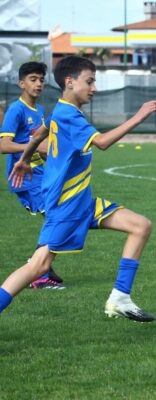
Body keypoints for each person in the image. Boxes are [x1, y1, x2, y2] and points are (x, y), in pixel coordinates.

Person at [0, 56, 156, 322]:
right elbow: (103, 142)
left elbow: (41, 131)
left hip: (82, 203)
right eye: (90, 81)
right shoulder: (69, 115)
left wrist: (25, 158)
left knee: (140, 226)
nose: (94, 88)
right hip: (66, 207)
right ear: (70, 82)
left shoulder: (61, 111)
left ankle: (120, 297)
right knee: (38, 266)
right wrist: (139, 116)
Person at [0, 62, 65, 289]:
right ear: (21, 83)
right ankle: (39, 274)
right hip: (24, 178)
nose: (38, 84)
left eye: (41, 80)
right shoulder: (16, 110)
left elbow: (41, 145)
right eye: (33, 79)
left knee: (56, 217)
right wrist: (34, 147)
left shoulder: (38, 111)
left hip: (40, 175)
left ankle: (43, 268)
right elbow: (4, 145)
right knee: (56, 217)